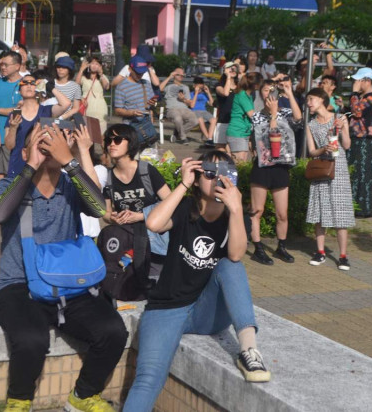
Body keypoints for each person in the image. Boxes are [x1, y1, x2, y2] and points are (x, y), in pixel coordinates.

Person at [0, 123, 127, 412]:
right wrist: (30, 166)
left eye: (54, 143)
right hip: (20, 285)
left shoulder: (70, 187)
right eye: (41, 142)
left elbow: (101, 210)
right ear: (25, 151)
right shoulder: (9, 186)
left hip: (68, 283)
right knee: (31, 339)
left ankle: (83, 395)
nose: (48, 147)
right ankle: (19, 401)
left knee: (113, 330)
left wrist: (70, 161)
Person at [123, 152, 271, 410]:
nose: (217, 179)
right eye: (210, 172)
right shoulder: (183, 208)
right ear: (197, 175)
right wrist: (182, 184)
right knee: (147, 379)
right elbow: (154, 224)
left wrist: (236, 209)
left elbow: (236, 254)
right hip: (166, 309)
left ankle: (249, 351)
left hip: (207, 311)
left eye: (225, 172)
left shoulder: (235, 217)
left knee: (230, 265)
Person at [102, 124, 171, 272]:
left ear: (131, 143)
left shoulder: (146, 171)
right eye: (109, 140)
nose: (112, 144)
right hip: (127, 242)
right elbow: (106, 214)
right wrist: (112, 218)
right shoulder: (108, 178)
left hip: (153, 243)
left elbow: (171, 203)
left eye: (118, 140)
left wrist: (141, 216)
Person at [248, 80, 302, 265]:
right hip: (262, 167)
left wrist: (289, 92)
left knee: (282, 213)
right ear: (261, 94)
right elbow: (271, 137)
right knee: (257, 210)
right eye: (265, 90)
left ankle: (281, 247)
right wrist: (272, 115)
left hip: (281, 167)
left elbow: (298, 117)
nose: (269, 94)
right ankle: (258, 248)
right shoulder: (256, 117)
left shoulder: (285, 113)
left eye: (273, 91)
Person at [305, 88, 355, 270]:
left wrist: (343, 131)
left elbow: (347, 145)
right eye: (308, 100)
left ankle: (343, 255)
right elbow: (311, 151)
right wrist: (323, 149)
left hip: (339, 167)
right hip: (322, 167)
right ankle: (320, 252)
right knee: (320, 211)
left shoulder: (339, 118)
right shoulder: (311, 124)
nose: (309, 103)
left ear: (322, 99)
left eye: (311, 99)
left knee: (341, 210)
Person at [4, 74, 70, 179]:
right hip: (18, 167)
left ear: (38, 88)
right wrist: (13, 128)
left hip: (41, 168)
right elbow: (9, 146)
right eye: (24, 83)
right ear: (20, 91)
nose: (29, 85)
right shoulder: (15, 114)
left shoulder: (46, 110)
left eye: (32, 83)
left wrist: (48, 86)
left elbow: (66, 104)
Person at [348, 68, 372, 218]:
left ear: (366, 80)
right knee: (360, 170)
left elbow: (357, 112)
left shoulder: (371, 97)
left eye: (358, 80)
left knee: (362, 171)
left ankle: (364, 206)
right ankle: (359, 204)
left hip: (363, 139)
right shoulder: (367, 97)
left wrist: (354, 93)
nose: (355, 83)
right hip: (359, 138)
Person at [0, 51, 23, 185]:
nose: (3, 67)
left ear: (17, 66)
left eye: (6, 65)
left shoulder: (25, 84)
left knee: (12, 172)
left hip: (14, 135)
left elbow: (19, 111)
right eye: (1, 64)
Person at [226, 72, 262, 162]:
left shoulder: (247, 96)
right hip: (237, 131)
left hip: (243, 132)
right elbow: (252, 115)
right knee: (240, 162)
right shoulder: (242, 95)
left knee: (243, 161)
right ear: (255, 85)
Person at [114, 55, 157, 125]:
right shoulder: (121, 87)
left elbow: (153, 104)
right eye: (137, 72)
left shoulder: (146, 83)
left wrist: (154, 103)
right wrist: (131, 113)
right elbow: (117, 110)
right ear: (130, 69)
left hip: (147, 125)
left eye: (142, 72)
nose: (140, 75)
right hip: (130, 127)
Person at [160, 68, 199, 143]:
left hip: (184, 109)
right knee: (178, 118)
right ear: (174, 75)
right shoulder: (169, 86)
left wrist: (183, 99)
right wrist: (169, 77)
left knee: (195, 121)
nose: (181, 76)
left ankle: (178, 133)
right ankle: (183, 137)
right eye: (179, 74)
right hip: (172, 109)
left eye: (182, 74)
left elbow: (190, 103)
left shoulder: (185, 87)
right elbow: (160, 88)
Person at [76, 56, 110, 133]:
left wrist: (101, 74)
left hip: (100, 107)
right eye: (92, 63)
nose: (94, 66)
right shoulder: (84, 77)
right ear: (88, 65)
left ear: (100, 66)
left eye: (97, 64)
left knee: (101, 133)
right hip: (86, 106)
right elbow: (76, 84)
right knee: (87, 133)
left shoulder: (102, 77)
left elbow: (107, 87)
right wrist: (81, 69)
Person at [213, 63, 239, 151]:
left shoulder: (239, 86)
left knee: (234, 149)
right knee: (221, 147)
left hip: (236, 121)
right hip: (224, 120)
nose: (232, 70)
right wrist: (228, 77)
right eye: (230, 68)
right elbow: (225, 93)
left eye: (234, 68)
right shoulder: (219, 86)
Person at [52, 53, 82, 119]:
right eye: (58, 67)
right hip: (47, 119)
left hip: (65, 123)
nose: (60, 69)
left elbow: (76, 108)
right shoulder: (50, 83)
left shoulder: (76, 87)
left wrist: (62, 117)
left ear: (69, 70)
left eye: (64, 67)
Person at [190, 76, 217, 144]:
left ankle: (209, 139)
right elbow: (191, 105)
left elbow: (211, 104)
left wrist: (208, 93)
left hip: (204, 111)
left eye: (201, 88)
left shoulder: (204, 94)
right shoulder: (191, 94)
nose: (200, 90)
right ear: (194, 86)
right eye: (198, 87)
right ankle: (209, 139)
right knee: (200, 119)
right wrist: (196, 93)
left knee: (214, 120)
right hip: (194, 111)